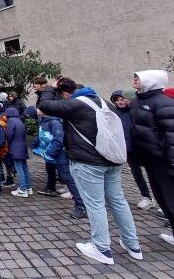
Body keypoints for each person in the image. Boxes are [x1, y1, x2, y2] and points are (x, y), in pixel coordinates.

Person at [39, 78, 142, 265]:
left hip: (88, 162)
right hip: (111, 159)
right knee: (118, 201)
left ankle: (101, 248)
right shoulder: (104, 102)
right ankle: (133, 245)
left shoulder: (77, 104)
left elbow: (44, 105)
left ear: (66, 94)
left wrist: (50, 88)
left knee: (95, 204)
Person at [130, 70, 174, 247]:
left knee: (171, 200)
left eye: (138, 77)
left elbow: (171, 136)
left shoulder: (164, 103)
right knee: (162, 200)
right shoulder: (137, 101)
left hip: (164, 162)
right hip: (149, 160)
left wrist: (171, 163)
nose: (134, 80)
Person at [30, 107, 86, 219]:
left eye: (39, 108)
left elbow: (59, 140)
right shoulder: (42, 121)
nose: (37, 109)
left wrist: (49, 153)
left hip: (58, 156)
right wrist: (34, 145)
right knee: (50, 171)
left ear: (46, 110)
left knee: (67, 178)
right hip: (49, 154)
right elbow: (40, 135)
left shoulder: (55, 122)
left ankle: (81, 205)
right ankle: (50, 189)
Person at [110, 90, 154, 210]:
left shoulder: (134, 111)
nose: (120, 102)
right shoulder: (115, 113)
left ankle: (161, 199)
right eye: (117, 100)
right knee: (136, 173)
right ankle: (146, 197)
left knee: (152, 174)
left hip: (141, 147)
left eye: (122, 99)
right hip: (128, 149)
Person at [6, 107, 32, 197]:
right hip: (23, 147)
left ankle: (22, 190)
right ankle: (28, 188)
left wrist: (8, 144)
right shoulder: (19, 121)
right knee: (25, 168)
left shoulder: (10, 121)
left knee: (19, 169)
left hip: (15, 148)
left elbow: (9, 135)